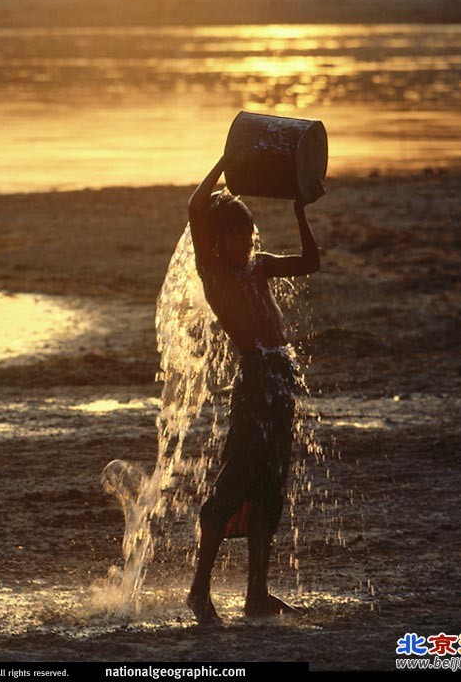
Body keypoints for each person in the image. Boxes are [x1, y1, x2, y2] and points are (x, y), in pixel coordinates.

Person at [185, 155, 321, 623]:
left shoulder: (259, 266)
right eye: (232, 235)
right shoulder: (215, 276)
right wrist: (228, 159)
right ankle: (199, 591)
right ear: (216, 242)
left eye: (247, 232)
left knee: (267, 490)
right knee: (232, 485)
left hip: (281, 380)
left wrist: (300, 209)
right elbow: (195, 204)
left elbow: (311, 262)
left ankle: (257, 595)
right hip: (254, 382)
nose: (243, 241)